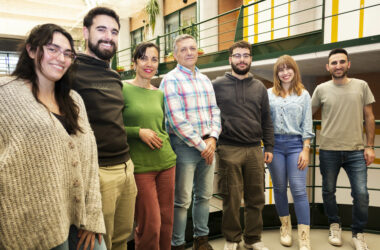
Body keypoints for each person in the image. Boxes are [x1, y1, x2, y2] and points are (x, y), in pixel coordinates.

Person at [0, 24, 105, 250]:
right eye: (53, 49)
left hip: (79, 217)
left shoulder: (74, 99)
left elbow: (90, 159)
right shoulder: (5, 94)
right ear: (31, 50)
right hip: (34, 225)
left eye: (68, 53)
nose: (61, 58)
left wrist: (93, 214)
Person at [70, 7, 137, 250]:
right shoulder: (70, 72)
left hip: (126, 169)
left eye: (114, 31)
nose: (108, 36)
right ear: (86, 32)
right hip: (98, 173)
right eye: (101, 29)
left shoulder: (113, 76)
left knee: (121, 240)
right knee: (100, 243)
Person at [160, 34, 221, 250]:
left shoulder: (205, 80)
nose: (189, 52)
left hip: (208, 145)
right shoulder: (170, 80)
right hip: (184, 148)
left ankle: (201, 240)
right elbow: (176, 121)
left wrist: (213, 137)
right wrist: (204, 146)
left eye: (192, 48)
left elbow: (215, 110)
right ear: (175, 55)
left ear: (198, 52)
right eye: (183, 49)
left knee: (204, 196)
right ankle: (177, 243)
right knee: (182, 200)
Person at [311, 48, 375, 250]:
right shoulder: (321, 89)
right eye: (334, 62)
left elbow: (369, 116)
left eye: (341, 62)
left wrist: (370, 146)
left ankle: (358, 232)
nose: (337, 66)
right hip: (328, 150)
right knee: (328, 191)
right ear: (327, 66)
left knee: (362, 194)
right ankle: (334, 225)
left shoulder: (361, 86)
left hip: (356, 151)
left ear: (349, 64)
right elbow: (307, 114)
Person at [212, 40, 274, 250]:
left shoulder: (259, 87)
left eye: (245, 55)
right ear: (230, 59)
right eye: (237, 55)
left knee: (256, 198)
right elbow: (209, 115)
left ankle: (253, 239)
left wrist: (270, 147)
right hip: (228, 149)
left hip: (255, 149)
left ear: (250, 59)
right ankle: (232, 239)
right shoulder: (217, 85)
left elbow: (266, 119)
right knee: (231, 198)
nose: (241, 59)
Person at [122, 42, 177, 250]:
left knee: (166, 223)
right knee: (150, 225)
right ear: (134, 61)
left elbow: (162, 126)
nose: (149, 64)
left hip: (167, 162)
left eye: (154, 59)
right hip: (141, 166)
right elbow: (114, 127)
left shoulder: (159, 93)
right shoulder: (123, 88)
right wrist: (138, 132)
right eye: (144, 58)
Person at [267, 55, 314, 250]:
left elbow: (307, 124)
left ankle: (304, 237)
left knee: (298, 190)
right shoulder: (269, 93)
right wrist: (267, 146)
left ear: (295, 71)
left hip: (296, 145)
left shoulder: (304, 94)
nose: (285, 73)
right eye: (281, 69)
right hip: (275, 145)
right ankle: (285, 229)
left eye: (289, 69)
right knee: (279, 188)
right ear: (277, 73)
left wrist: (305, 149)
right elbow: (265, 123)